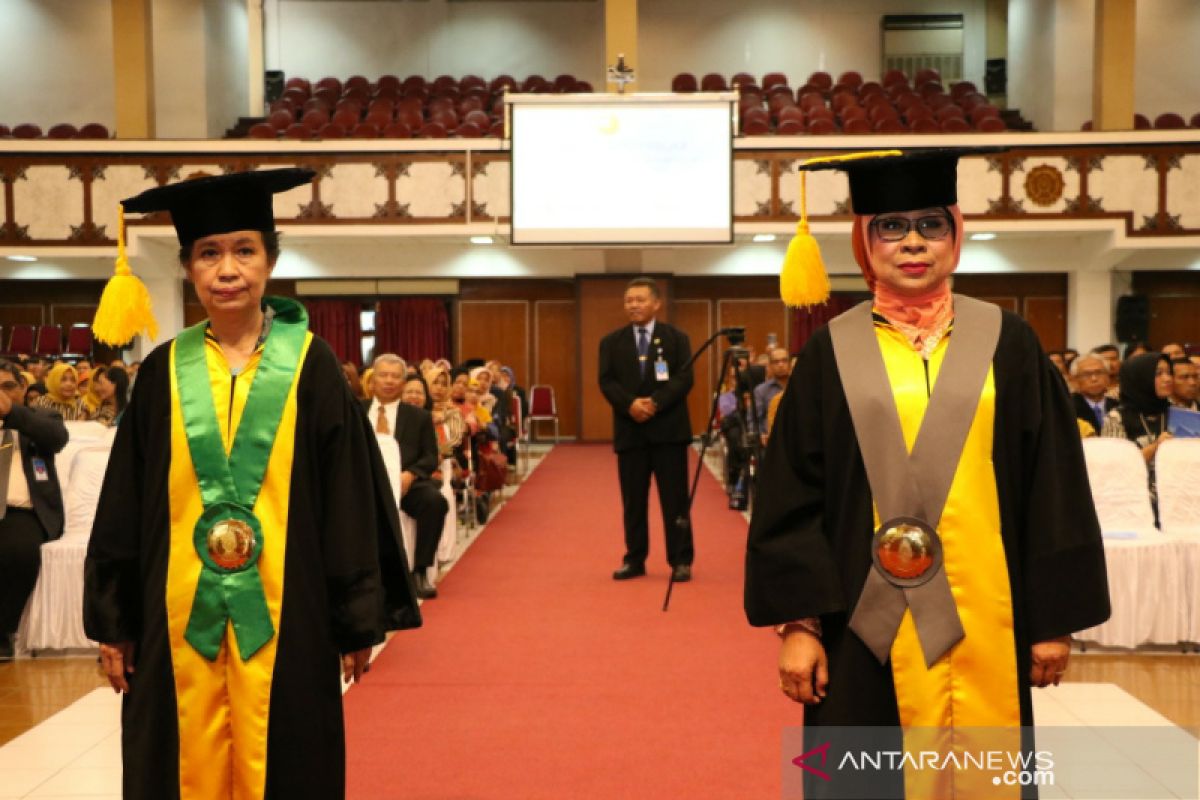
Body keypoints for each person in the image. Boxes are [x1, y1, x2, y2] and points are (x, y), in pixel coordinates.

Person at [745, 149, 1110, 798]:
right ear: (864, 239)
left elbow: (1050, 484)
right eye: (891, 226)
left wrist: (1054, 619)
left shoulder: (1009, 342)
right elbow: (793, 495)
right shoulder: (831, 351)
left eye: (931, 224)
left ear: (955, 233)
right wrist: (799, 625)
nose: (913, 242)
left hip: (987, 618)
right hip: (863, 623)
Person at [83, 169, 421, 800]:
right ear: (188, 267)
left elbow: (348, 499)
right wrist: (115, 618)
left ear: (270, 260)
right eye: (209, 253)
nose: (227, 269)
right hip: (173, 617)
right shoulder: (162, 373)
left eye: (244, 250)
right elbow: (125, 501)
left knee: (290, 753)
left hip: (290, 616)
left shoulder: (312, 366)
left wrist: (354, 620)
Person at [598, 277, 694, 582]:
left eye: (640, 300)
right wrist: (630, 405)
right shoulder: (611, 342)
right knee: (634, 502)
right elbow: (606, 381)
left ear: (656, 303)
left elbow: (684, 378)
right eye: (629, 301)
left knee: (675, 500)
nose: (633, 306)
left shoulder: (677, 338)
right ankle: (634, 559)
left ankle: (680, 560)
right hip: (631, 432)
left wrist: (654, 402)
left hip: (669, 431)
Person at [0, 361, 67, 661]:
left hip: (21, 513)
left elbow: (56, 438)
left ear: (23, 388)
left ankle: (2, 632)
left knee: (17, 552)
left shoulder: (41, 417)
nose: (0, 395)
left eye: (7, 387)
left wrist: (11, 414)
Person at [368, 354, 449, 600]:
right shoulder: (356, 411)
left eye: (395, 376)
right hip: (365, 485)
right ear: (373, 380)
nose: (389, 381)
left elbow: (429, 456)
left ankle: (420, 572)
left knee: (435, 502)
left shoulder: (418, 417)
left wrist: (411, 475)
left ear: (403, 383)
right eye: (383, 375)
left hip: (405, 485)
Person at [1070, 353, 1118, 433]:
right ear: (1075, 380)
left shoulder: (1118, 406)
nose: (1094, 379)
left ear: (1108, 377)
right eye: (1086, 374)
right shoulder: (1068, 407)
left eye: (1099, 372)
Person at [753, 346, 791, 441]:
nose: (781, 365)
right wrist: (761, 435)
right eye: (776, 362)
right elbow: (754, 420)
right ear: (770, 366)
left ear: (789, 363)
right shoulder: (761, 390)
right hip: (771, 440)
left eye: (784, 360)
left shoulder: (800, 386)